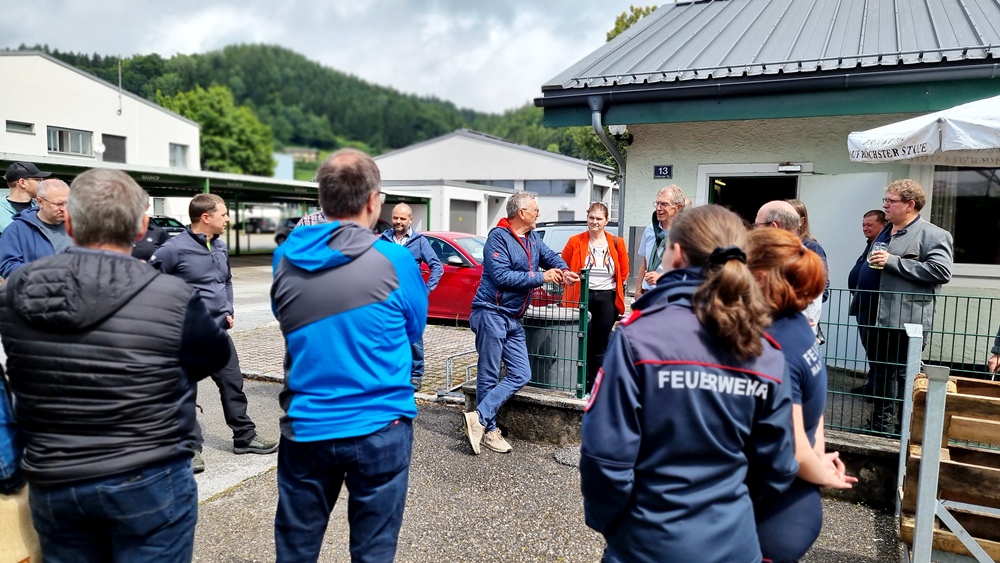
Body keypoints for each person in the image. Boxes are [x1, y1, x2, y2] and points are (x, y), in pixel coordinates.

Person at [0, 168, 231, 561]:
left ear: (69, 222)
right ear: (143, 227)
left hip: (56, 478)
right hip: (150, 474)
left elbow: (17, 366)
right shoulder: (171, 294)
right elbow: (213, 356)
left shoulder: (18, 290)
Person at [580, 205, 798, 563]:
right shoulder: (766, 350)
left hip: (647, 544)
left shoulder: (639, 338)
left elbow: (604, 457)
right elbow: (778, 468)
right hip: (733, 544)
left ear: (677, 254)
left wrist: (615, 525)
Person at [271, 148, 427, 562]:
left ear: (322, 200)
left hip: (306, 425)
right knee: (374, 550)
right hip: (380, 426)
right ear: (374, 202)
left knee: (296, 547)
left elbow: (287, 317)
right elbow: (413, 329)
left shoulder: (284, 257)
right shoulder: (395, 259)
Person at [747, 227, 857, 562]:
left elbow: (792, 448)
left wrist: (825, 474)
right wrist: (818, 457)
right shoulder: (799, 328)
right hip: (793, 503)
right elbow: (814, 411)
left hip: (771, 515)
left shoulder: (772, 346)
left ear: (761, 276)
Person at [151, 194, 277, 470]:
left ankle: (244, 438)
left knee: (233, 384)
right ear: (206, 217)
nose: (228, 219)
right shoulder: (173, 249)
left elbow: (226, 281)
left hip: (218, 333)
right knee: (185, 393)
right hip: (185, 335)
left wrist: (228, 308)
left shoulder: (219, 246)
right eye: (224, 215)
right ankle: (189, 448)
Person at [462, 191, 579, 455]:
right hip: (491, 312)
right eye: (535, 209)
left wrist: (563, 270)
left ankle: (478, 416)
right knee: (489, 375)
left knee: (522, 373)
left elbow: (551, 257)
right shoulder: (498, 238)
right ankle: (489, 430)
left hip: (513, 317)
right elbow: (503, 276)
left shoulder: (533, 238)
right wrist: (542, 276)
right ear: (521, 212)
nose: (539, 213)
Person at [857, 179, 953, 433]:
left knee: (902, 375)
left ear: (910, 205)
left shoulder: (934, 235)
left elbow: (940, 271)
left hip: (906, 319)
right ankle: (880, 425)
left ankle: (906, 428)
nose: (885, 206)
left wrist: (893, 262)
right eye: (885, 200)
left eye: (891, 201)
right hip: (874, 315)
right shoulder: (885, 232)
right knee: (879, 374)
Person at [561, 201, 630, 393]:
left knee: (598, 344)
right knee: (582, 340)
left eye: (599, 218)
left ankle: (596, 387)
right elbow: (563, 265)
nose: (594, 222)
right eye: (591, 217)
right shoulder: (575, 241)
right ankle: (578, 382)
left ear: (607, 220)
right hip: (580, 297)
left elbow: (623, 272)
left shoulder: (617, 243)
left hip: (607, 298)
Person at [379, 202, 442, 391]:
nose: (398, 221)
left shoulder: (420, 241)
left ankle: (415, 376)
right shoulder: (382, 240)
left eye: (402, 218)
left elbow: (437, 268)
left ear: (411, 220)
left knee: (413, 339)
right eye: (395, 217)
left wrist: (425, 291)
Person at [848, 210, 887, 395]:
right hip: (863, 305)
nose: (865, 228)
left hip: (875, 307)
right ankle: (873, 384)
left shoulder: (885, 246)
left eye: (870, 225)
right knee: (871, 349)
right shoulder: (870, 245)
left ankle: (878, 389)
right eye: (863, 225)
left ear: (883, 225)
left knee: (878, 350)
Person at [0, 178, 72, 278]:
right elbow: (7, 266)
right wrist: (46, 273)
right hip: (33, 291)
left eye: (67, 203)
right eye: (58, 204)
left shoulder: (78, 227)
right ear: (40, 202)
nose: (64, 209)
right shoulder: (16, 230)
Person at [786, 198, 830, 337]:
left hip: (802, 320)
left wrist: (805, 309)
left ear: (801, 220)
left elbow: (823, 286)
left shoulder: (812, 247)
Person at [634, 185, 685, 298]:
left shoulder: (687, 234)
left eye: (664, 204)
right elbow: (645, 263)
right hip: (647, 294)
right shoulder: (650, 230)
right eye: (657, 203)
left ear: (679, 207)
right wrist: (638, 290)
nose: (658, 208)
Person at [0, 161, 49, 234]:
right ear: (22, 182)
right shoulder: (1, 210)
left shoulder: (41, 206)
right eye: (38, 180)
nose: (42, 184)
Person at [131, 193, 171, 261]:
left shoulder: (159, 233)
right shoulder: (118, 231)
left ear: (147, 206)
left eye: (140, 203)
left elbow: (170, 258)